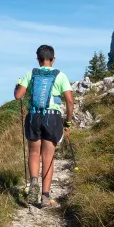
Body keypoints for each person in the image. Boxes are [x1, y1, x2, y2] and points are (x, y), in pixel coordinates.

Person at [14, 44, 74, 207]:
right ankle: (45, 197)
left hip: (34, 116)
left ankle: (34, 181)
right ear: (53, 59)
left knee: (34, 153)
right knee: (48, 157)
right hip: (52, 118)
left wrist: (17, 87)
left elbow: (19, 96)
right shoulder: (60, 75)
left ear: (38, 60)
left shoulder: (30, 73)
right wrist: (68, 121)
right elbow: (69, 100)